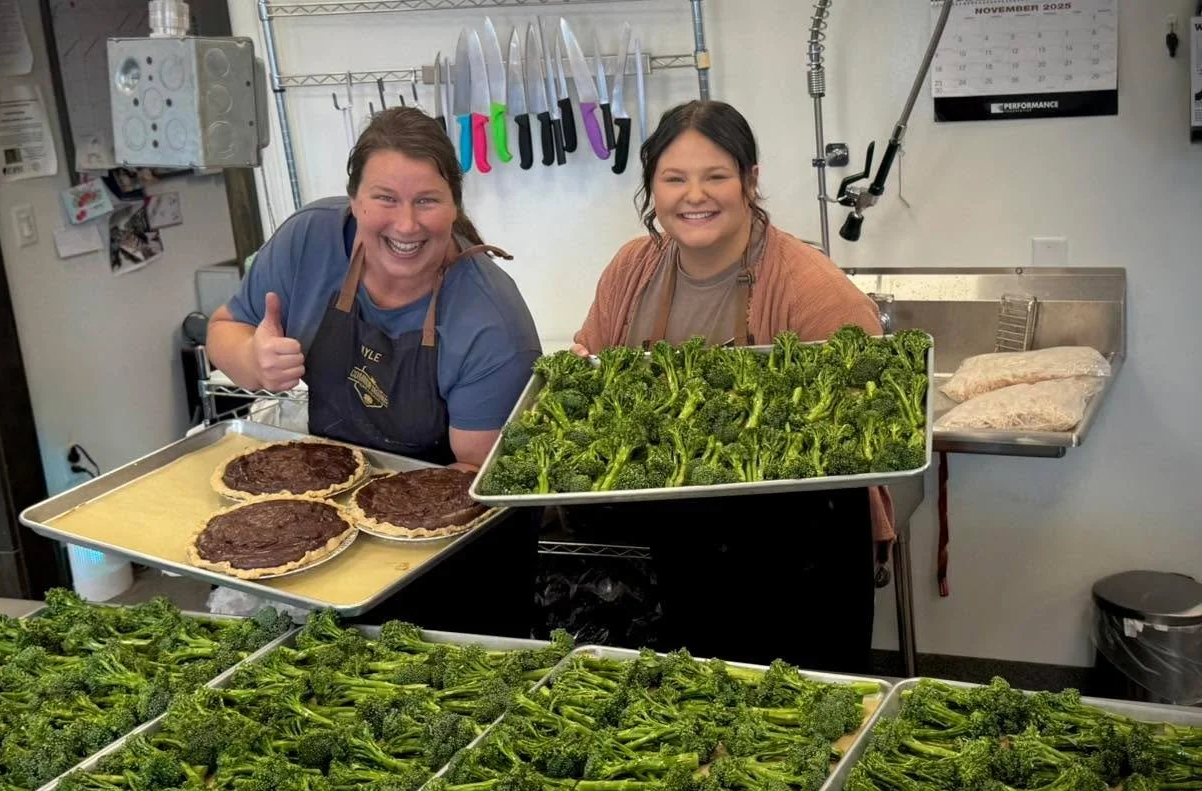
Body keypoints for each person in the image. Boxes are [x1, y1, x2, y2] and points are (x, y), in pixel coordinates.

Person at [573, 100, 892, 674]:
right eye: (674, 179)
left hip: (800, 551)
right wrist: (579, 378)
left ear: (750, 180)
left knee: (797, 724)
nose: (694, 195)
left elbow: (868, 427)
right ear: (653, 188)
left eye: (716, 176)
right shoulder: (632, 268)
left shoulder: (812, 290)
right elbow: (592, 363)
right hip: (681, 537)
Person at [207, 106, 542, 634]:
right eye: (385, 199)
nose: (406, 225)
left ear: (453, 205)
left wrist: (360, 525)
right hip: (330, 544)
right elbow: (224, 328)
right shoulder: (307, 243)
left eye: (426, 201)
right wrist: (251, 359)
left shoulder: (489, 320)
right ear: (355, 201)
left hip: (456, 565)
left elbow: (479, 478)